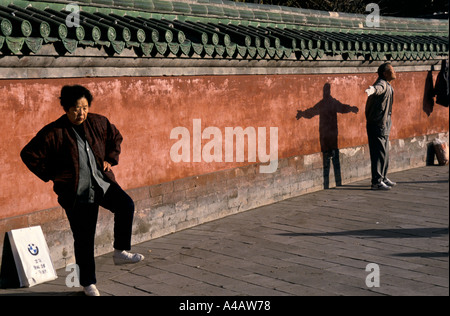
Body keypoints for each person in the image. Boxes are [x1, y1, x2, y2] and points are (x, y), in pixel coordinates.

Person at [20, 85, 144, 296]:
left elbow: (116, 137)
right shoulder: (54, 132)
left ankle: (119, 250)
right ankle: (88, 284)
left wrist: (109, 159)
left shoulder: (99, 122)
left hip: (102, 184)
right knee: (84, 238)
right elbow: (28, 154)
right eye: (76, 108)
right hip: (76, 193)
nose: (81, 113)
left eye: (85, 108)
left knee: (126, 205)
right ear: (67, 108)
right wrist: (52, 174)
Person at [365, 63, 397, 190]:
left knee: (385, 152)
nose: (395, 72)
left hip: (384, 123)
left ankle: (383, 177)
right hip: (377, 123)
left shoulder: (387, 84)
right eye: (392, 70)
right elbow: (377, 89)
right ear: (385, 73)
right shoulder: (382, 83)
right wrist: (371, 90)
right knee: (378, 153)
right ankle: (376, 182)